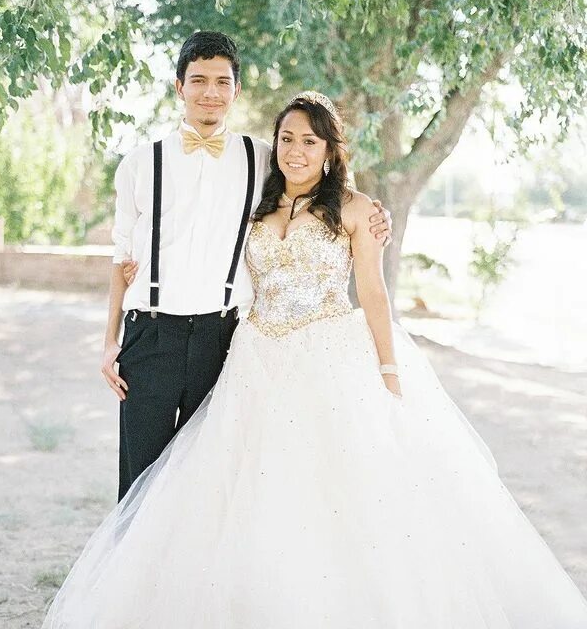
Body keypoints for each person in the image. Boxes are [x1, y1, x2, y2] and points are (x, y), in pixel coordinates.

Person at [43, 92, 587, 627]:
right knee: (244, 490)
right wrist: (138, 274)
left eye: (309, 140)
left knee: (338, 492)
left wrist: (389, 366)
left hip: (328, 355)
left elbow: (373, 292)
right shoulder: (259, 196)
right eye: (286, 138)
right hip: (255, 357)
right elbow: (194, 225)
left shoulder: (355, 208)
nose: (295, 150)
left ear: (329, 149)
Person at [100, 31, 391, 501]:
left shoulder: (263, 158)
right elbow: (121, 258)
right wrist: (109, 340)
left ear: (236, 90)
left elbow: (318, 187)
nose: (209, 92)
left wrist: (375, 215)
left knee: (209, 477)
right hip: (149, 335)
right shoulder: (139, 163)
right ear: (179, 87)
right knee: (139, 481)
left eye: (221, 82)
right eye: (198, 81)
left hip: (223, 338)